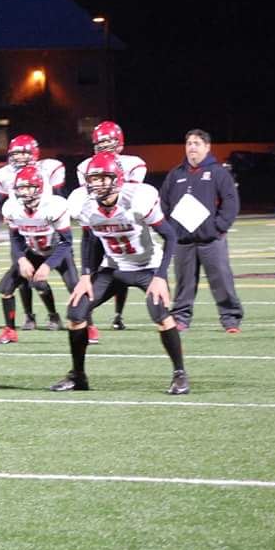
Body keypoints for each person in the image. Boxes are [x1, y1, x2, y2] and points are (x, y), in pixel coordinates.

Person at [56, 152, 188, 394]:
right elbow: (89, 238)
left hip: (147, 267)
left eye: (102, 178)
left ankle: (180, 374)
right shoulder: (84, 204)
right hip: (113, 267)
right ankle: (78, 376)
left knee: (160, 313)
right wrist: (86, 275)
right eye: (93, 179)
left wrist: (160, 277)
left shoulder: (137, 199)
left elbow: (170, 236)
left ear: (116, 178)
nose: (96, 184)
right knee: (76, 313)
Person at [159, 129, 243, 333]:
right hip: (183, 241)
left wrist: (218, 228)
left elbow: (231, 203)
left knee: (222, 280)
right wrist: (172, 230)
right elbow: (164, 202)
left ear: (207, 147)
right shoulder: (176, 173)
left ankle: (230, 319)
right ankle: (181, 318)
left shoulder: (218, 173)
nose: (192, 147)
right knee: (183, 283)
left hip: (211, 240)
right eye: (189, 143)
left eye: (197, 143)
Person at [75, 121, 148, 336]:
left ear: (120, 142)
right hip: (100, 226)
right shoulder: (85, 166)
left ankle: (118, 314)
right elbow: (92, 197)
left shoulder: (133, 164)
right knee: (93, 272)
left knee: (123, 271)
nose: (105, 144)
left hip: (126, 228)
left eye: (109, 140)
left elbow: (129, 198)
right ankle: (88, 323)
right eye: (101, 141)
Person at [0, 166, 76, 344]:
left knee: (75, 287)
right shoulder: (12, 207)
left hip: (57, 249)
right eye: (21, 188)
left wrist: (48, 265)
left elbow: (66, 241)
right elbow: (15, 238)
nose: (24, 192)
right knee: (5, 288)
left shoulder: (54, 205)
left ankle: (88, 327)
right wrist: (21, 259)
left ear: (39, 188)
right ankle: (10, 331)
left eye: (28, 187)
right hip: (33, 251)